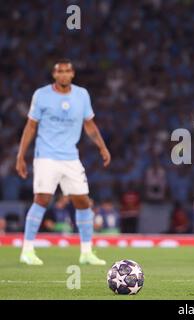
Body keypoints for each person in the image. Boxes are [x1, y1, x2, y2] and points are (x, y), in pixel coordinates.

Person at [16, 59, 111, 265]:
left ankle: (86, 252)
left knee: (83, 202)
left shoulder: (82, 95)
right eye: (60, 71)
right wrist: (20, 155)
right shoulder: (41, 95)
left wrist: (102, 147)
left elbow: (89, 124)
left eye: (67, 71)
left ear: (73, 74)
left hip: (71, 157)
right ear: (54, 74)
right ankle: (27, 250)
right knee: (42, 198)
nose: (64, 74)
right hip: (46, 156)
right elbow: (31, 126)